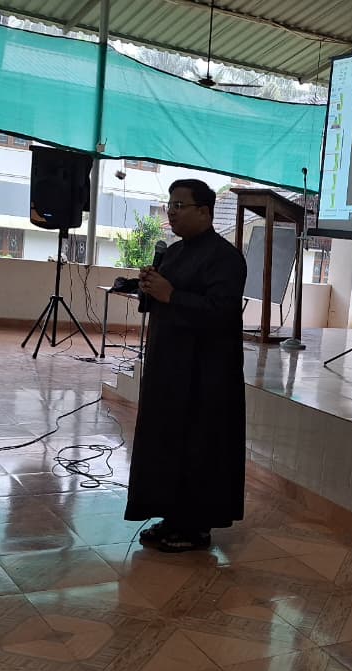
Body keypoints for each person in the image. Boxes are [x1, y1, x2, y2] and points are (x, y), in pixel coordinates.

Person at [125, 179, 248, 552]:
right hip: (168, 367)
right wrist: (149, 288)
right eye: (170, 205)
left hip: (205, 373)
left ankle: (196, 527)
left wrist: (172, 295)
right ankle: (171, 516)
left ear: (204, 212)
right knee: (166, 443)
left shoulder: (226, 258)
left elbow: (222, 312)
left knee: (198, 447)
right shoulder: (174, 252)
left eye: (179, 205)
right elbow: (158, 303)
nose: (172, 212)